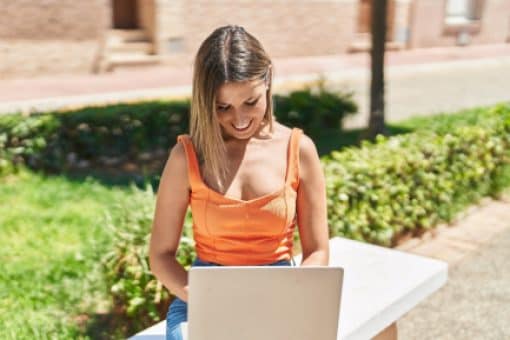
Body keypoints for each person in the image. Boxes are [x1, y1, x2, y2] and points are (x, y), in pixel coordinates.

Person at [148, 25, 329, 340]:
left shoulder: (299, 150)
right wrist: (206, 297)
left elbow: (317, 251)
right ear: (205, 100)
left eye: (251, 102)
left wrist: (295, 295)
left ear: (268, 80)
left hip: (279, 295)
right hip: (204, 298)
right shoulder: (186, 156)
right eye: (223, 107)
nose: (240, 118)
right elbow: (161, 256)